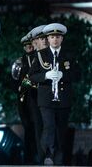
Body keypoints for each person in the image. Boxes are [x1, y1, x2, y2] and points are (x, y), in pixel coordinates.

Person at [29, 23, 79, 165]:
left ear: (61, 39)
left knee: (61, 129)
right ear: (48, 39)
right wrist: (46, 75)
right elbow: (32, 76)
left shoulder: (68, 55)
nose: (55, 40)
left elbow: (77, 75)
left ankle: (58, 155)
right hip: (46, 99)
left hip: (63, 99)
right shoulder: (40, 55)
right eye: (52, 37)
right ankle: (49, 155)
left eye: (57, 37)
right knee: (49, 125)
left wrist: (63, 75)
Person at [17, 26, 44, 164]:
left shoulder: (38, 57)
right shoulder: (20, 61)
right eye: (26, 46)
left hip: (38, 95)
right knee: (30, 128)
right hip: (27, 99)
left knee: (41, 127)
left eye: (31, 44)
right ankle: (31, 158)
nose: (29, 47)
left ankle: (42, 156)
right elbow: (17, 82)